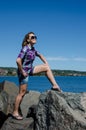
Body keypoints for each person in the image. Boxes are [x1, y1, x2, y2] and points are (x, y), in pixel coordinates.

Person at [12, 32, 62, 120]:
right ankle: (15, 112)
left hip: (30, 69)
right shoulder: (25, 49)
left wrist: (46, 63)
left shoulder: (33, 49)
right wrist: (22, 71)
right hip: (24, 72)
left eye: (35, 37)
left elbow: (40, 55)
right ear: (28, 40)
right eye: (32, 37)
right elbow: (18, 60)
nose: (34, 38)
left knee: (46, 67)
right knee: (22, 93)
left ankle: (55, 85)